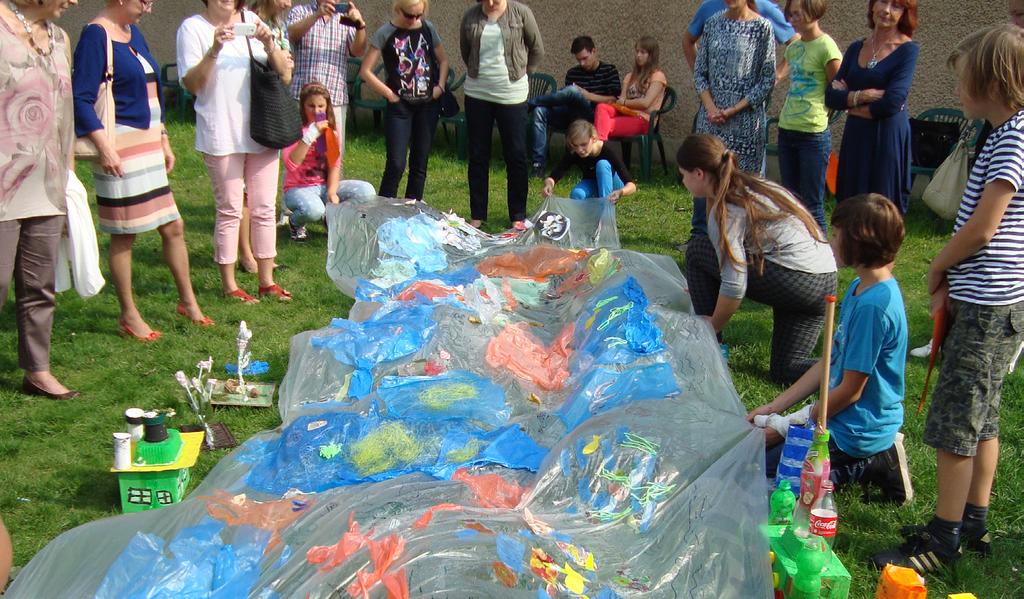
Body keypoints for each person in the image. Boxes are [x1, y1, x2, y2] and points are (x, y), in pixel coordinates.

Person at [873, 23, 1024, 573]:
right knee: (983, 419)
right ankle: (974, 521)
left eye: (964, 83)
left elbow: (984, 228)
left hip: (986, 306)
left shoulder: (1011, 138)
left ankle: (942, 540)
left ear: (993, 82)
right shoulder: (1007, 132)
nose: (958, 93)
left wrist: (939, 265)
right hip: (995, 303)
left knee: (957, 424)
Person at [749, 193, 912, 503]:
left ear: (859, 243)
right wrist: (775, 409)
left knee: (770, 475)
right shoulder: (858, 287)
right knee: (757, 455)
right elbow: (829, 362)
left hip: (855, 427)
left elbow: (851, 390)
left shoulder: (874, 307)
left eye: (837, 235)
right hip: (836, 418)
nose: (831, 241)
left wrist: (789, 425)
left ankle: (871, 461)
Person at [73, 0, 213, 342]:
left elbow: (153, 90)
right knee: (125, 231)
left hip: (148, 144)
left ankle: (188, 303)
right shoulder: (95, 35)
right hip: (119, 146)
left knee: (174, 225)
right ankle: (129, 314)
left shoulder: (133, 32)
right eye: (144, 1)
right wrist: (104, 148)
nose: (148, 8)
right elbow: (79, 98)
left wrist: (163, 136)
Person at [679, 134, 837, 385]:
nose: (683, 181)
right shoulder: (755, 184)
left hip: (796, 281)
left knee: (697, 251)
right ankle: (851, 371)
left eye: (683, 175)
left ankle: (711, 349)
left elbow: (734, 283)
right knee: (786, 371)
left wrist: (713, 325)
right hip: (824, 281)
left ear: (698, 173)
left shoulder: (728, 207)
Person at [177, 0, 293, 303]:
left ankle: (267, 280)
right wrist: (214, 49)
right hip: (222, 132)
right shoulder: (193, 28)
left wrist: (269, 44)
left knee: (265, 208)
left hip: (262, 128)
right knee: (229, 209)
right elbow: (192, 84)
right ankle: (229, 285)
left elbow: (284, 74)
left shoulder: (253, 19)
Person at [0, 0, 80, 399]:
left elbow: (65, 108)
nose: (74, 2)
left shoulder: (60, 37)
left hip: (46, 180)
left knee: (39, 284)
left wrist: (67, 172)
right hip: (3, 179)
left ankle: (38, 370)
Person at [690, 0, 776, 243]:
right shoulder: (713, 23)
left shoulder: (762, 28)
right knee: (709, 184)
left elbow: (767, 80)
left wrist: (733, 109)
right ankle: (709, 245)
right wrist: (710, 107)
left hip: (745, 122)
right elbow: (700, 72)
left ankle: (740, 245)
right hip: (711, 120)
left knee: (741, 189)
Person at [824, 0, 919, 214]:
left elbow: (892, 102)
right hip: (856, 137)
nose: (886, 10)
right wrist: (862, 96)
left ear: (905, 13)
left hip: (886, 138)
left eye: (896, 6)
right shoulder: (856, 47)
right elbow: (831, 96)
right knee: (850, 204)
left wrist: (849, 102)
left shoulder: (907, 50)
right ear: (872, 6)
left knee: (881, 208)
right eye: (882, 2)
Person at [459, 0, 543, 230]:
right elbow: (466, 51)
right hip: (477, 93)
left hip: (512, 95)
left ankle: (517, 214)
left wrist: (524, 74)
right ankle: (477, 214)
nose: (491, 2)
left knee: (515, 155)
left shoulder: (521, 13)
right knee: (478, 155)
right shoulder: (470, 16)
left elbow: (537, 49)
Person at [359, 0, 448, 201]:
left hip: (427, 104)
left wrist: (440, 87)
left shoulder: (428, 28)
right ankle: (383, 210)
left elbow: (443, 60)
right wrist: (389, 94)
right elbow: (365, 71)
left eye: (419, 15)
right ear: (398, 9)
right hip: (400, 107)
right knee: (396, 163)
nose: (414, 20)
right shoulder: (385, 32)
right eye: (409, 15)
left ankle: (412, 211)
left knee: (420, 163)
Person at [776, 0, 842, 234]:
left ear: (814, 12)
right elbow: (778, 75)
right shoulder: (794, 48)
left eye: (798, 14)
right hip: (787, 128)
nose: (792, 19)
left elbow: (837, 91)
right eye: (790, 15)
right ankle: (796, 253)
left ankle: (821, 260)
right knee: (789, 200)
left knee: (812, 204)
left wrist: (822, 115)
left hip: (812, 134)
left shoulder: (826, 47)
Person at [283, 82, 375, 229]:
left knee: (366, 190)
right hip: (298, 188)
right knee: (314, 211)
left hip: (324, 185)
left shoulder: (331, 132)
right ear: (303, 107)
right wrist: (310, 135)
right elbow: (291, 164)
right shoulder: (295, 130)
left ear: (327, 107)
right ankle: (295, 222)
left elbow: (334, 164)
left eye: (320, 106)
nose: (316, 110)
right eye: (311, 106)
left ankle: (333, 220)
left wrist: (332, 192)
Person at [529, 36, 621, 177]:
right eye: (579, 60)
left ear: (594, 51)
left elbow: (614, 100)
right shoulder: (573, 73)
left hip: (592, 117)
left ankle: (528, 103)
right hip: (571, 115)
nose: (582, 63)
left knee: (573, 91)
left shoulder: (609, 71)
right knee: (540, 111)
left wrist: (587, 95)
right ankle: (538, 165)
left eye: (585, 58)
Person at [287, 0, 367, 160]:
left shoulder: (345, 16)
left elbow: (358, 51)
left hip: (333, 98)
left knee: (331, 157)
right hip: (302, 98)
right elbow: (290, 35)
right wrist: (317, 15)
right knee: (298, 154)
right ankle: (297, 185)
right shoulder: (301, 11)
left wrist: (360, 26)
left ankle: (330, 185)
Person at [246, 0, 294, 247]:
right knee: (244, 192)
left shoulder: (278, 24)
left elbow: (285, 70)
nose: (289, 3)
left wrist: (284, 62)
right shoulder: (250, 21)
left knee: (262, 194)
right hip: (252, 101)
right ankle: (244, 249)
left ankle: (259, 248)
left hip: (272, 99)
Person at [682, 0, 797, 78]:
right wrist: (701, 78)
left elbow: (797, 44)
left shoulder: (762, 6)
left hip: (750, 101)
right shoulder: (708, 7)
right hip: (714, 101)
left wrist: (777, 76)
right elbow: (688, 41)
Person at [592, 36, 667, 142]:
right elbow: (621, 101)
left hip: (643, 120)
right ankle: (600, 146)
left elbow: (645, 103)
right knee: (602, 107)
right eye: (637, 52)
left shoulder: (657, 76)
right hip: (626, 113)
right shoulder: (629, 76)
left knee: (604, 125)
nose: (638, 55)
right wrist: (625, 103)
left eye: (643, 52)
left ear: (651, 55)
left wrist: (625, 102)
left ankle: (599, 149)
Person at [542, 120, 637, 202]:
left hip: (613, 184)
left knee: (602, 164)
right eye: (575, 145)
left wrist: (620, 192)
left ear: (594, 139)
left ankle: (605, 210)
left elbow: (631, 185)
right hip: (592, 182)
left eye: (584, 144)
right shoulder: (575, 152)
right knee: (577, 194)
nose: (580, 150)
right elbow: (554, 175)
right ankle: (584, 218)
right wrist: (548, 185)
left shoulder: (608, 151)